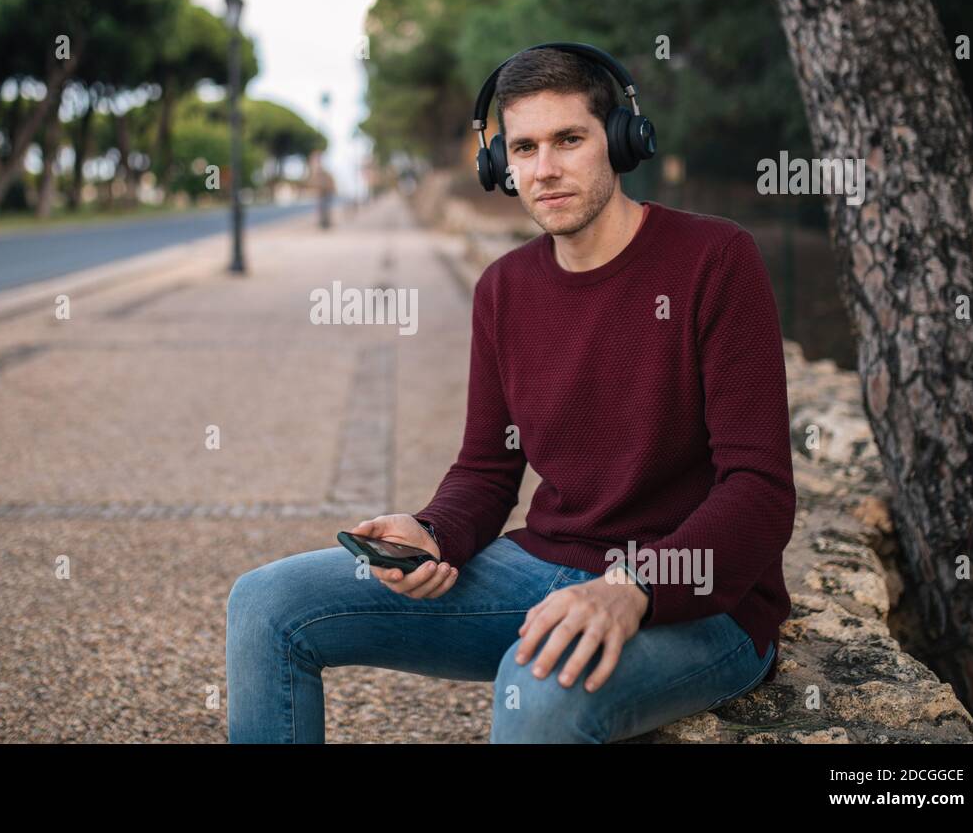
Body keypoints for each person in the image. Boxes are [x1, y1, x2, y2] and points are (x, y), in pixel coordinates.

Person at [226, 45, 793, 743]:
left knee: (540, 687)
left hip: (704, 605)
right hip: (539, 567)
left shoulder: (716, 260)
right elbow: (488, 469)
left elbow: (759, 490)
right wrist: (434, 532)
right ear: (500, 165)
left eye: (569, 140)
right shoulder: (504, 289)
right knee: (265, 604)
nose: (544, 168)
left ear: (620, 141)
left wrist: (633, 588)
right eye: (523, 147)